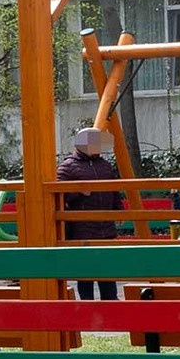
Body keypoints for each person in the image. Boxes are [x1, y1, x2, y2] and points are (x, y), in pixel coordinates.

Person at [58, 125, 126, 302]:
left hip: (105, 225)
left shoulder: (104, 166)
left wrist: (118, 210)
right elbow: (58, 195)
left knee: (107, 269)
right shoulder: (68, 167)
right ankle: (87, 304)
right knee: (85, 270)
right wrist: (78, 192)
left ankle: (110, 302)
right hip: (83, 227)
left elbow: (114, 190)